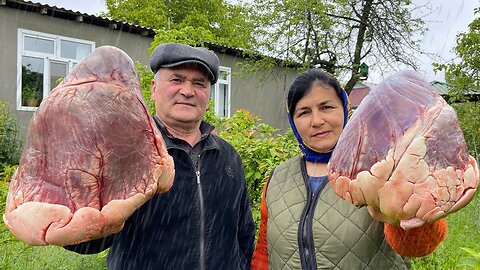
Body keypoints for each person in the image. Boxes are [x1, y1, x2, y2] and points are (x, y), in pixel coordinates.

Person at [65, 43, 255, 270]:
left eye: (199, 83)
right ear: (154, 88)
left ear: (208, 94)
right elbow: (83, 240)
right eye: (176, 80)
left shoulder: (228, 157)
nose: (188, 91)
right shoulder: (125, 151)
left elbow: (244, 234)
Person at [251, 69, 448, 269]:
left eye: (326, 107)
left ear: (345, 110)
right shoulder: (278, 179)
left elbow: (420, 248)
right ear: (293, 121)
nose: (317, 121)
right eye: (304, 112)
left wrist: (404, 215)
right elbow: (264, 253)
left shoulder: (381, 168)